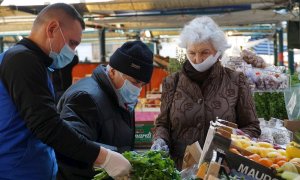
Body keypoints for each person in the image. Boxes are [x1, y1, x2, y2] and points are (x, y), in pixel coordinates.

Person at [0, 3, 130, 179]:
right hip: (16, 172)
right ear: (52, 28)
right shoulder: (22, 61)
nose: (73, 52)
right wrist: (103, 157)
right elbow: (47, 125)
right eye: (72, 43)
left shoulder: (37, 64)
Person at [151, 16, 261, 170]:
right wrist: (160, 140)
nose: (197, 59)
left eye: (204, 52)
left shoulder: (236, 81)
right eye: (192, 52)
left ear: (217, 51)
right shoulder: (172, 82)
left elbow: (252, 126)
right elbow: (162, 124)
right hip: (179, 169)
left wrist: (230, 143)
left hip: (223, 169)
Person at [55, 40, 154, 179]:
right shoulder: (85, 98)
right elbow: (70, 146)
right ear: (113, 71)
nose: (138, 89)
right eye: (135, 82)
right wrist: (110, 157)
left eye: (142, 84)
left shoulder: (121, 97)